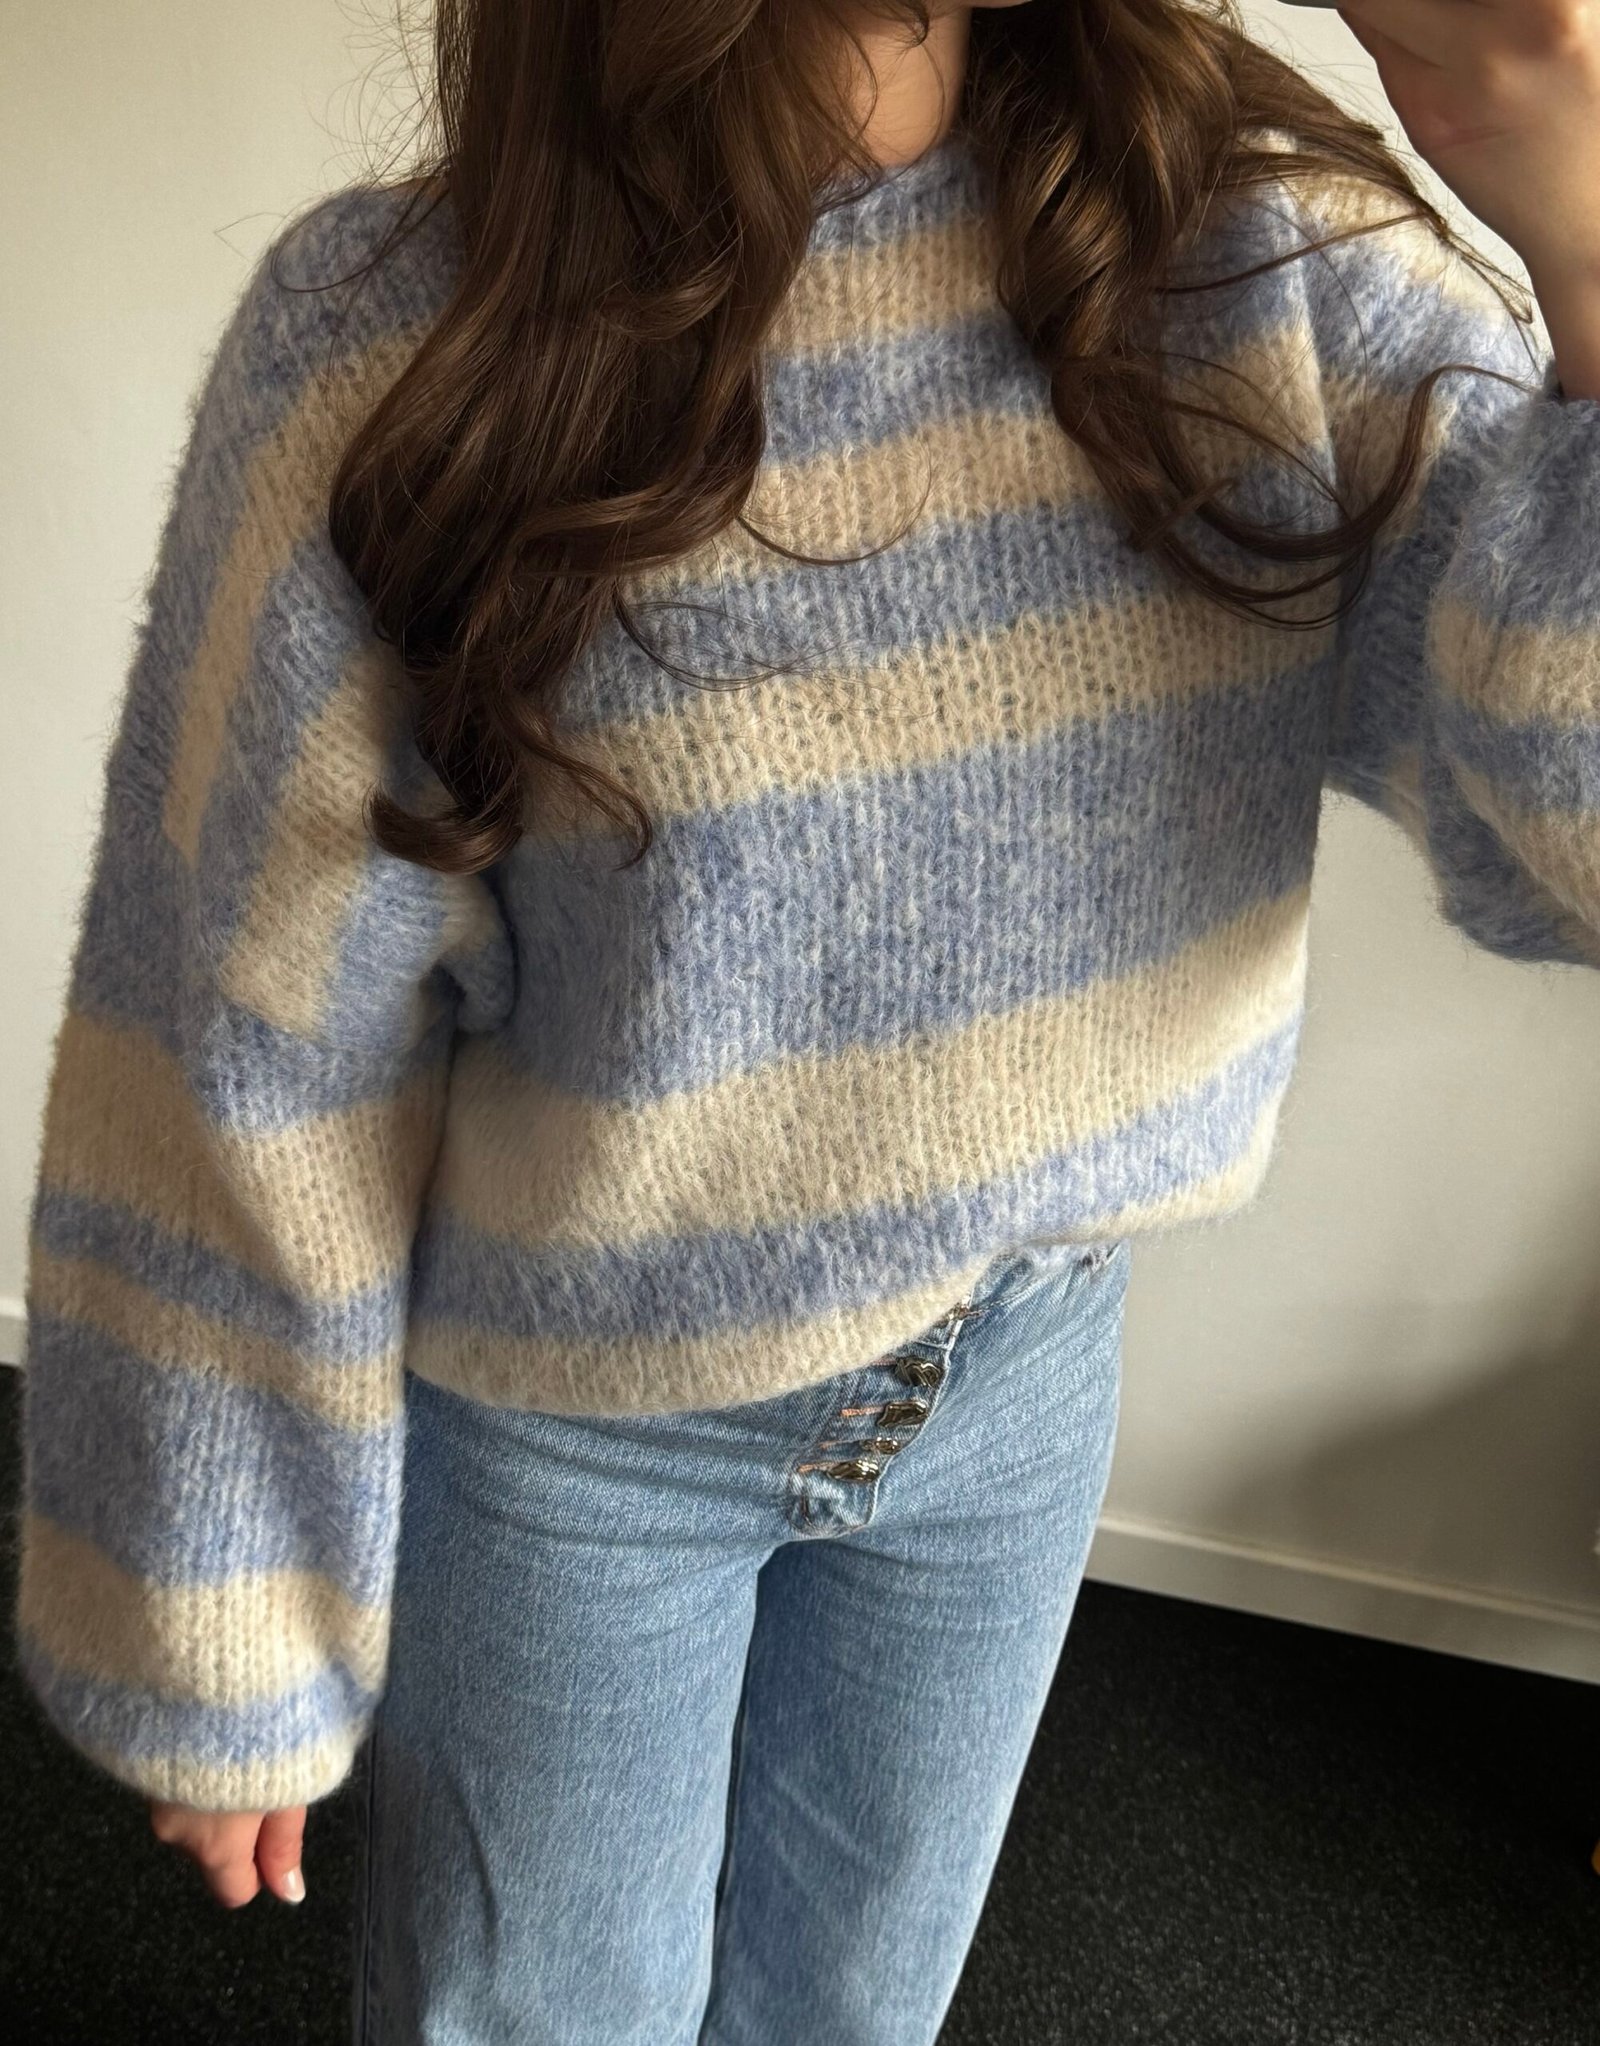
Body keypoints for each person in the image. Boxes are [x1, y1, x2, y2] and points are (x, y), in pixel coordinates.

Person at [15, 3, 1600, 2042]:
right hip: (579, 1429)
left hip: (1023, 1369)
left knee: (854, 2009)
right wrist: (216, 1611)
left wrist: (1585, 242)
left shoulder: (1251, 257)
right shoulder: (392, 343)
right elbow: (242, 1030)